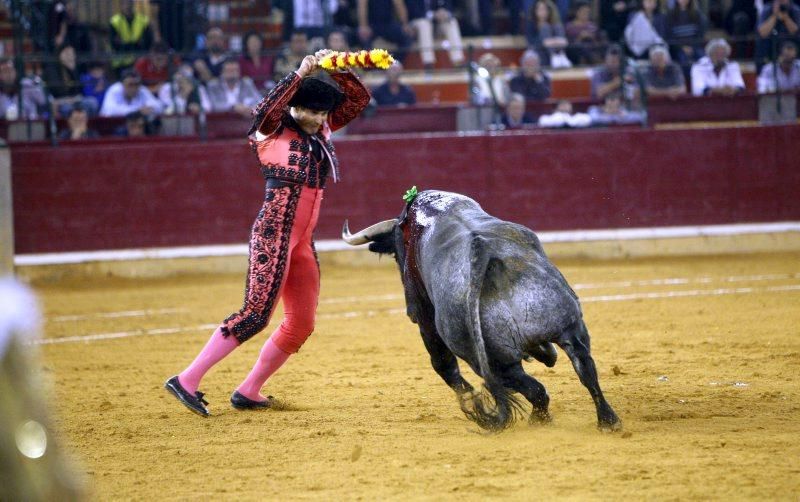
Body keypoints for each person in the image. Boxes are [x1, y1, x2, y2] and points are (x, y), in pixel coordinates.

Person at [164, 49, 371, 416]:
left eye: (323, 113)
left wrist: (334, 68)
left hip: (303, 241)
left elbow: (358, 100)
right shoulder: (270, 129)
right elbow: (264, 110)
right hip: (273, 234)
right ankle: (187, 379)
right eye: (312, 111)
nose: (320, 119)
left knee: (302, 322)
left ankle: (249, 390)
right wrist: (299, 73)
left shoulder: (319, 127)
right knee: (256, 314)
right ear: (294, 107)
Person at [405, 0, 465, 70]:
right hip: (417, 24)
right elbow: (414, 12)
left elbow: (448, 7)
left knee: (451, 22)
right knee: (424, 24)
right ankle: (428, 63)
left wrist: (445, 13)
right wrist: (433, 15)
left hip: (435, 25)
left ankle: (457, 61)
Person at [42, 43, 98, 118]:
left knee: (92, 102)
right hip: (59, 102)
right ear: (59, 55)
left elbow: (79, 90)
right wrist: (70, 99)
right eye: (67, 53)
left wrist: (73, 71)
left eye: (72, 54)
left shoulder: (74, 69)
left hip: (74, 100)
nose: (70, 56)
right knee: (67, 108)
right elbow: (57, 91)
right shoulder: (52, 70)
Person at [109, 0, 155, 75]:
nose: (128, 5)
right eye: (125, 2)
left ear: (134, 4)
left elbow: (148, 42)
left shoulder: (143, 20)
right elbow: (114, 45)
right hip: (121, 63)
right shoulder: (114, 22)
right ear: (121, 5)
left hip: (140, 60)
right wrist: (137, 44)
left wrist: (124, 44)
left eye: (130, 2)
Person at [664, 0, 707, 78]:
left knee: (703, 60)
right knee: (683, 61)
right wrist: (682, 47)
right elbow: (669, 36)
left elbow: (700, 35)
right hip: (678, 48)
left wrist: (692, 47)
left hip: (695, 46)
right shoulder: (670, 15)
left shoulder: (697, 15)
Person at [755, 0, 800, 71]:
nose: (781, 2)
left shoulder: (795, 10)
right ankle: (762, 72)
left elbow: (796, 32)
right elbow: (763, 33)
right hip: (771, 44)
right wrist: (774, 16)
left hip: (790, 43)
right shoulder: (767, 9)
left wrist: (786, 17)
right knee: (761, 44)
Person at [99, 69, 164, 118]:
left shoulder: (142, 89)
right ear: (122, 84)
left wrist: (151, 108)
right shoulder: (114, 90)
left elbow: (158, 106)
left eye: (136, 84)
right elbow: (110, 111)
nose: (134, 88)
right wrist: (138, 111)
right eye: (130, 84)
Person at [526, 0, 570, 67]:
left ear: (549, 11)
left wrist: (549, 42)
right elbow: (531, 43)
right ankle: (553, 56)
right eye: (540, 9)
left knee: (558, 26)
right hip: (540, 52)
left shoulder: (555, 24)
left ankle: (561, 55)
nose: (542, 12)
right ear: (535, 11)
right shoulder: (531, 24)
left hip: (558, 53)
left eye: (545, 9)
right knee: (545, 27)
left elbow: (565, 42)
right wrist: (548, 42)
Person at [566, 1, 604, 65]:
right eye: (583, 12)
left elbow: (599, 43)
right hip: (577, 53)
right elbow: (569, 45)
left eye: (587, 12)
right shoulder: (570, 27)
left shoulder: (593, 26)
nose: (586, 14)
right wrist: (580, 38)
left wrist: (592, 37)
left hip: (593, 51)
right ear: (577, 12)